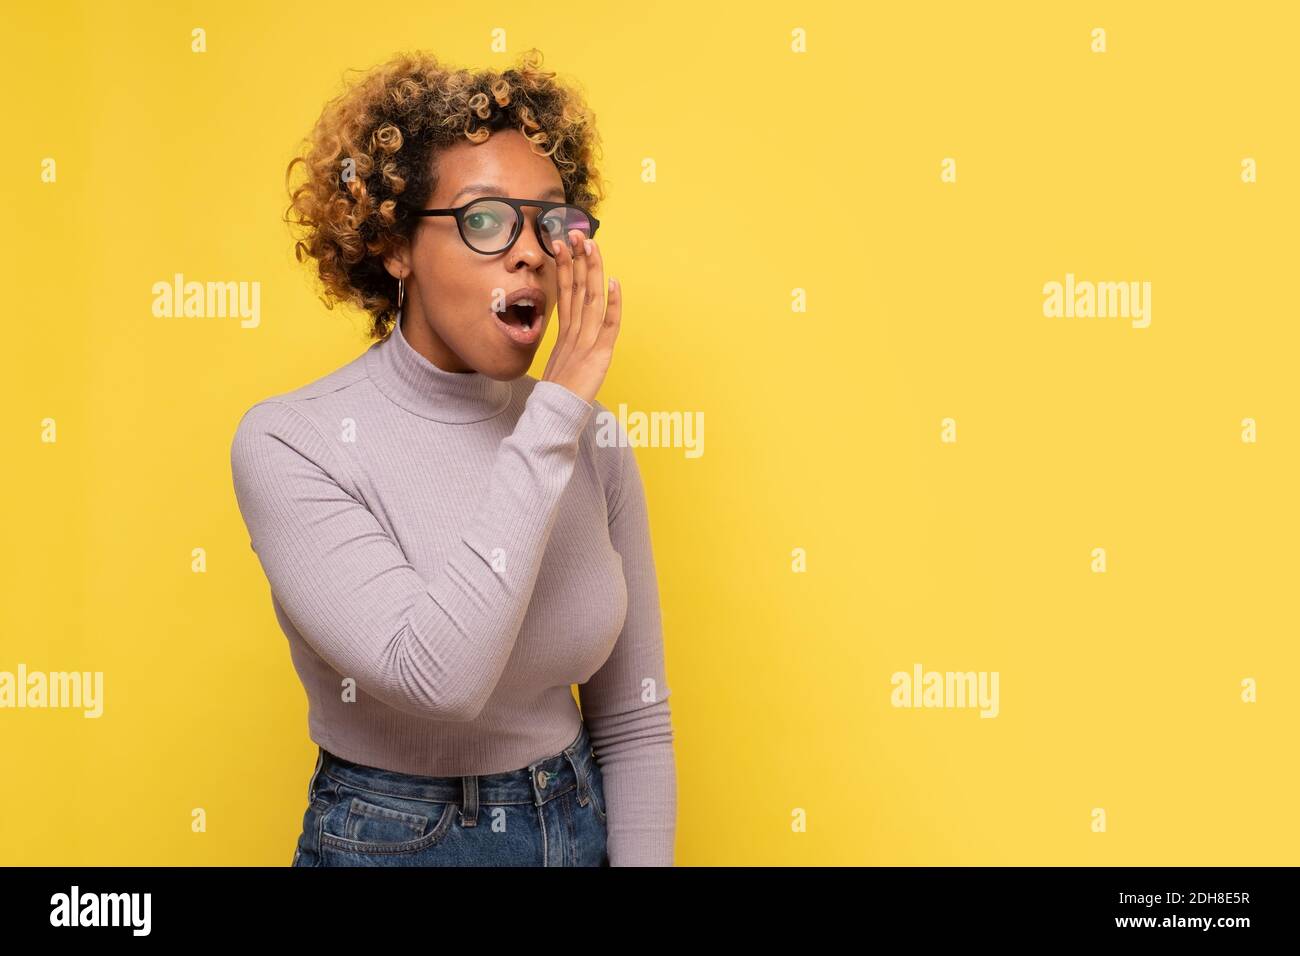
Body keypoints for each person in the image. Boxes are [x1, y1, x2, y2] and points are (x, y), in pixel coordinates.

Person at [229, 48, 675, 866]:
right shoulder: (292, 442)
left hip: (574, 822)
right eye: (484, 219)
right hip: (394, 841)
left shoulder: (593, 440)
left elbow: (635, 721)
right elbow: (440, 679)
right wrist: (558, 411)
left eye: (549, 219)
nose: (531, 251)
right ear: (396, 246)